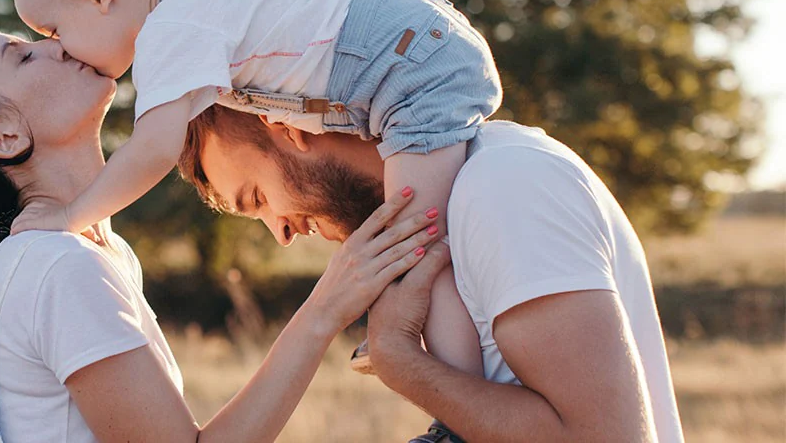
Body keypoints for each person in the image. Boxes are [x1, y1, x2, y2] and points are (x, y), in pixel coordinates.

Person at [3, 0, 501, 440]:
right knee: (418, 248)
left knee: (415, 249)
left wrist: (70, 215)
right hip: (422, 40)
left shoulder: (168, 31)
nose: (62, 53)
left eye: (54, 33)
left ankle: (461, 421)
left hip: (414, 70)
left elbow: (152, 149)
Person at [0, 29, 445, 443]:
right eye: (24, 55)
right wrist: (325, 308)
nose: (56, 44)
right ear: (4, 136)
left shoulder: (93, 252)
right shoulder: (55, 263)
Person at [178, 103, 684, 442]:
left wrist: (401, 362)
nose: (281, 233)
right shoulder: (470, 195)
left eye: (260, 198)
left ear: (286, 127)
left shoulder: (502, 183)